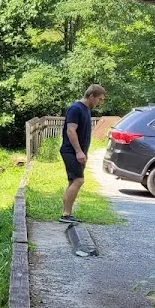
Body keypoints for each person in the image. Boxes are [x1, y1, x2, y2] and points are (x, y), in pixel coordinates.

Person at [59, 84, 107, 225]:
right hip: (70, 151)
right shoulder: (76, 108)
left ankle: (66, 212)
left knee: (73, 181)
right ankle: (66, 214)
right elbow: (71, 131)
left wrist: (84, 152)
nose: (100, 102)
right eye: (99, 99)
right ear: (91, 96)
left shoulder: (85, 110)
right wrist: (79, 151)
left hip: (78, 152)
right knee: (79, 180)